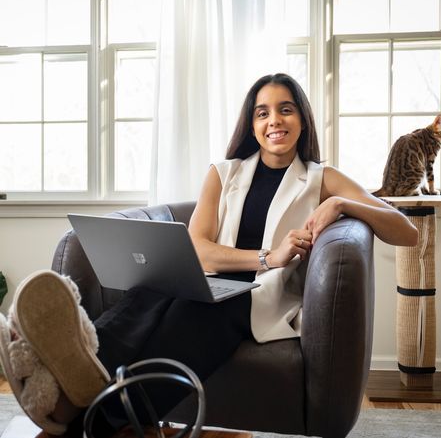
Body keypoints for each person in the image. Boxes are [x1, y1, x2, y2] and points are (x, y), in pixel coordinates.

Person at [0, 73, 418, 436]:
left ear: (302, 119)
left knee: (193, 316)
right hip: (216, 277)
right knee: (150, 291)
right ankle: (77, 362)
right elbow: (198, 249)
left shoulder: (321, 178)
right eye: (262, 112)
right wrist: (268, 256)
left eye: (286, 109)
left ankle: (82, 414)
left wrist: (341, 204)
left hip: (257, 299)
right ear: (252, 124)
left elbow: (406, 231)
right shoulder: (224, 173)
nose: (274, 120)